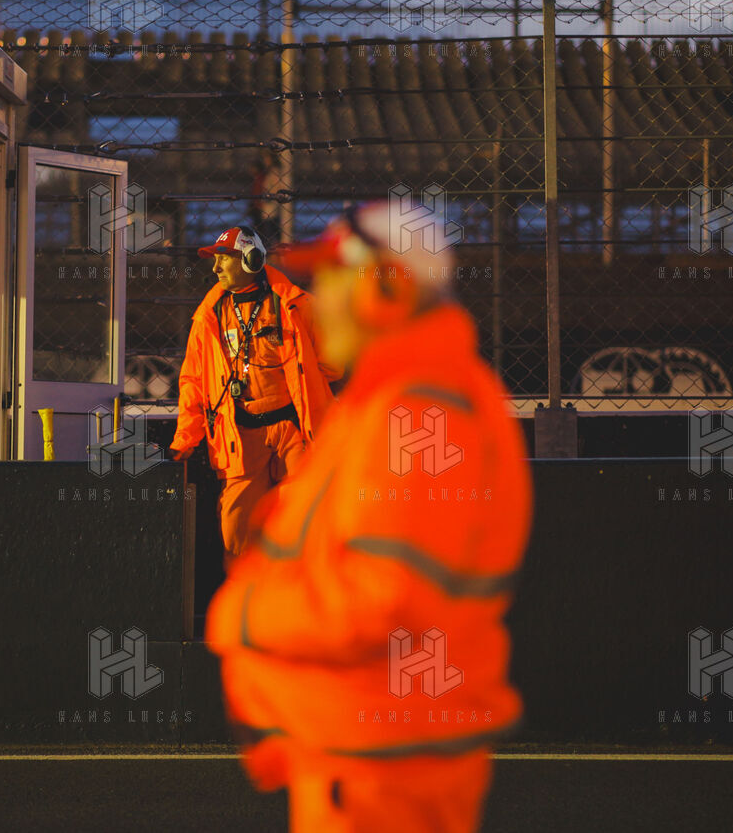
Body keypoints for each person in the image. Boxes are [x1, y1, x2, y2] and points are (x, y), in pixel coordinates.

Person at [205, 204, 533, 833]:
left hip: (382, 770)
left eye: (333, 279)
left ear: (387, 290)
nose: (318, 300)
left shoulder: (422, 411)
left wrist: (241, 616)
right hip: (361, 760)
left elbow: (380, 600)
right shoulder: (391, 399)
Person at [170, 225, 341, 558]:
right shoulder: (209, 316)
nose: (216, 268)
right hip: (241, 436)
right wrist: (184, 440)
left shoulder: (295, 305)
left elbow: (334, 367)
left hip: (296, 432)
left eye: (224, 259)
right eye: (215, 260)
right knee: (235, 531)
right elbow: (193, 381)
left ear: (251, 260)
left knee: (304, 523)